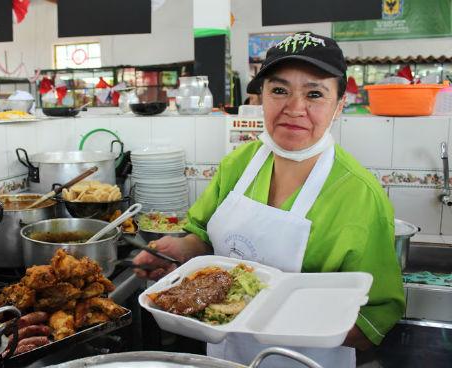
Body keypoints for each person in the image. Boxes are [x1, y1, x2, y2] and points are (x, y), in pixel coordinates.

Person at [133, 32, 405, 368]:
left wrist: (273, 319)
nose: (294, 109)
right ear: (260, 96)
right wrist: (182, 251)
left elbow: (375, 318)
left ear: (339, 104)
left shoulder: (360, 195)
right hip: (224, 356)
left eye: (315, 94)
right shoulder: (238, 164)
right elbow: (204, 238)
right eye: (279, 90)